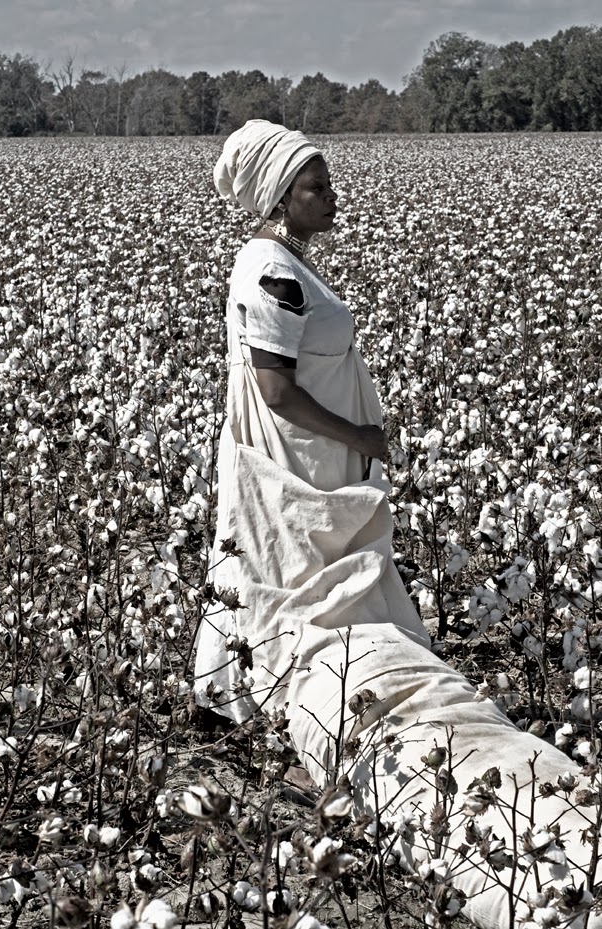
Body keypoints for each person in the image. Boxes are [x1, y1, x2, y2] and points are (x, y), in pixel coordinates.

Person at [194, 120, 601, 929]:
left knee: (276, 571)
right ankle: (256, 690)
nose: (331, 196)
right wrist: (362, 437)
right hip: (303, 466)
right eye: (316, 186)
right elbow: (273, 389)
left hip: (316, 469)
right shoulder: (265, 268)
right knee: (286, 574)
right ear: (277, 198)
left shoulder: (287, 264)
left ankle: (231, 690)